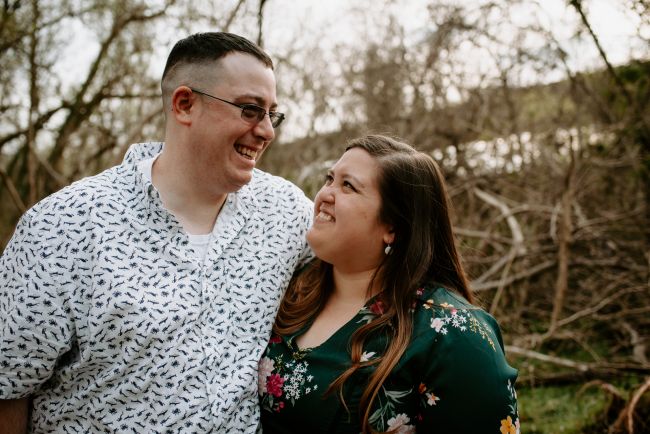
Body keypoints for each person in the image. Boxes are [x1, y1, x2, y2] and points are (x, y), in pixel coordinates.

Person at [0, 32, 313, 433]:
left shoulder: (286, 212)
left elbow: (371, 267)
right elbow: (7, 387)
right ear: (185, 104)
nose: (267, 131)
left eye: (273, 114)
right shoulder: (62, 226)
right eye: (250, 110)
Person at [258, 135, 520, 433]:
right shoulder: (291, 290)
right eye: (330, 179)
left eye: (348, 186)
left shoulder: (453, 334)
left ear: (393, 226)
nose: (325, 194)